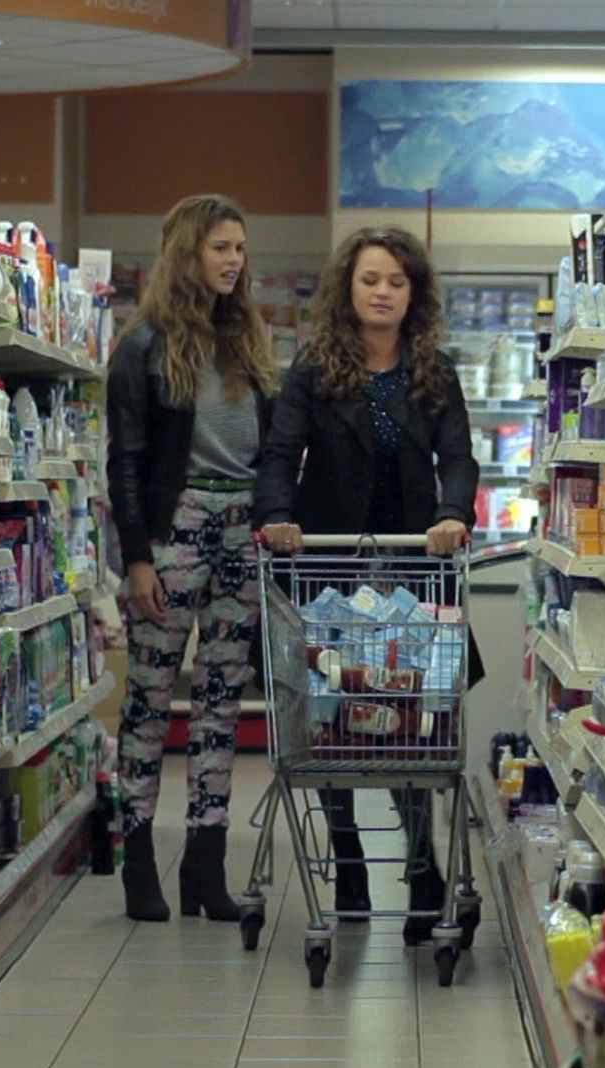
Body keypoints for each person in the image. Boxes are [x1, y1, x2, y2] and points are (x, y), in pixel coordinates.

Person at [255, 225, 483, 942]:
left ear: (415, 294)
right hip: (330, 564)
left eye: (396, 281)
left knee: (412, 720)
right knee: (331, 716)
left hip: (414, 564)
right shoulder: (314, 368)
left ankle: (422, 867)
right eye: (370, 279)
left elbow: (459, 458)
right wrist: (278, 517)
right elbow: (280, 452)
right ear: (347, 289)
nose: (383, 292)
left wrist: (452, 514)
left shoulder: (433, 371)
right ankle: (348, 860)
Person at [106, 194, 283, 923]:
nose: (234, 260)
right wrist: (137, 558)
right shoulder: (143, 346)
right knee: (150, 699)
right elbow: (125, 461)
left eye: (239, 247)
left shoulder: (247, 341)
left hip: (243, 528)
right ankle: (138, 862)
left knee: (220, 702)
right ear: (188, 253)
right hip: (173, 528)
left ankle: (205, 869)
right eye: (220, 247)